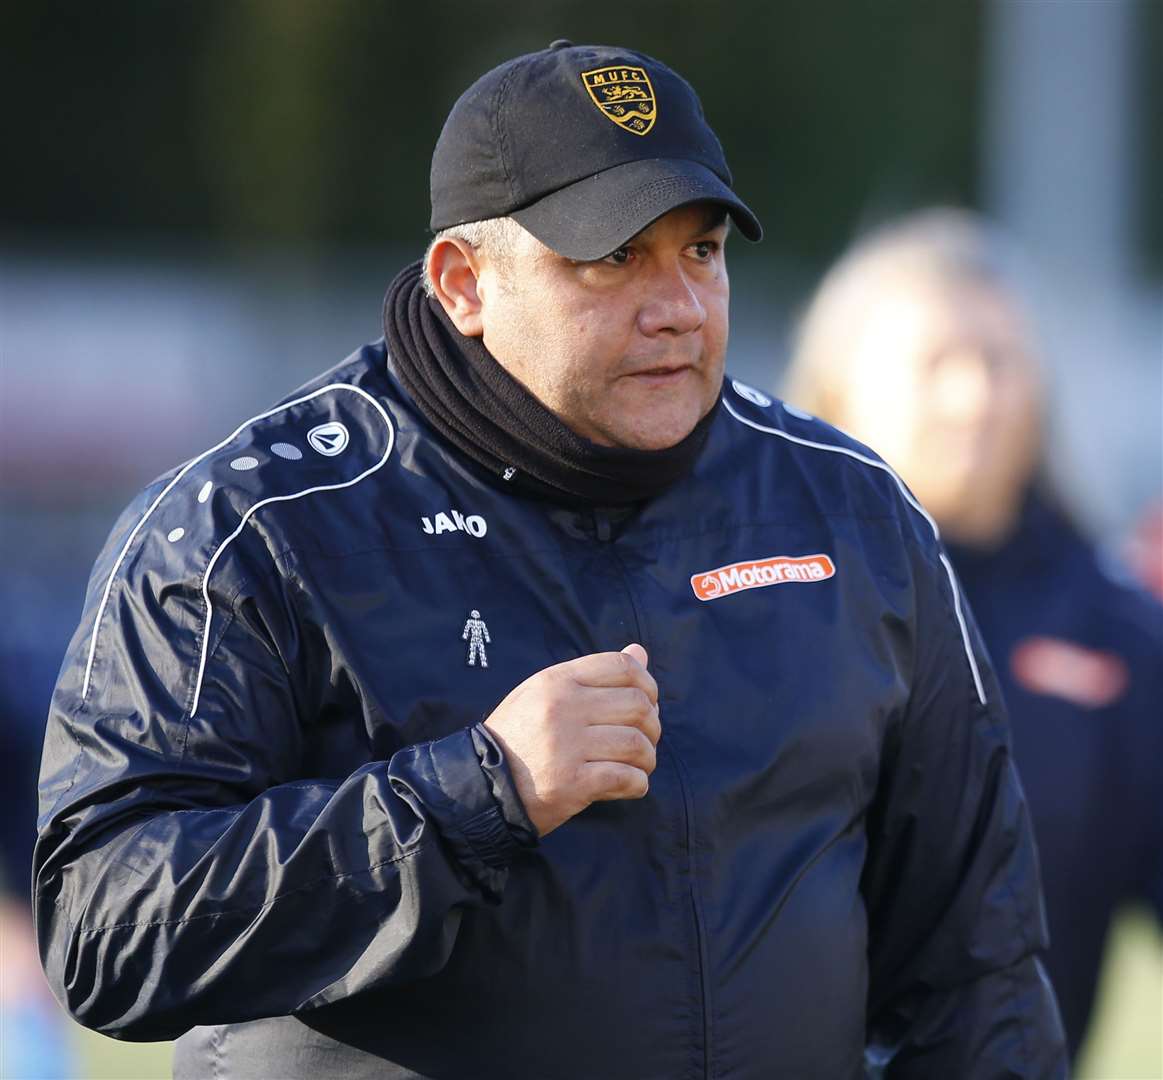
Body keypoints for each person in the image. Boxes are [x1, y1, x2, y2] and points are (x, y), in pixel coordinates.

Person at [34, 44, 1066, 1078]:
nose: (676, 306)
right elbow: (105, 930)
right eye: (612, 258)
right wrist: (473, 794)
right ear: (463, 283)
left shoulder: (847, 509)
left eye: (699, 252)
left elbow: (976, 971)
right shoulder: (256, 527)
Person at [783, 207, 1163, 1062]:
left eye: (1000, 360)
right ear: (840, 387)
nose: (974, 397)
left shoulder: (1122, 635)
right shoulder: (748, 602)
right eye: (935, 363)